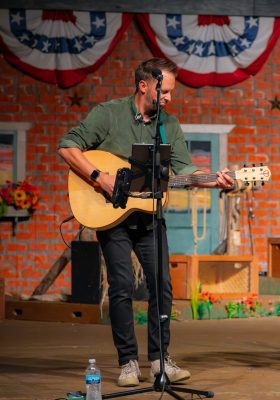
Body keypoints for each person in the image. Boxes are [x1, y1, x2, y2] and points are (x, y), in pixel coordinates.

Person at [58, 58, 234, 387]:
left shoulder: (169, 125)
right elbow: (68, 147)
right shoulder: (109, 114)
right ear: (144, 86)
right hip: (112, 217)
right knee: (122, 286)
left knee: (162, 286)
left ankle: (159, 360)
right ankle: (128, 362)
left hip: (151, 216)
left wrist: (216, 179)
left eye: (171, 92)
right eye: (164, 91)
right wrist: (100, 178)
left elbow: (185, 170)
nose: (169, 97)